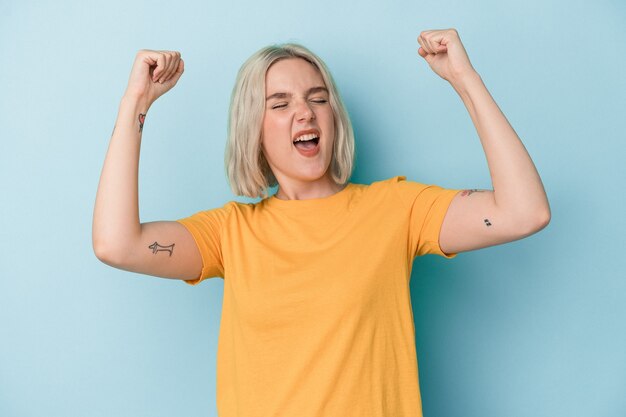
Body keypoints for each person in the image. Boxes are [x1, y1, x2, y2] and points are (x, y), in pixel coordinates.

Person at [92, 29, 550, 417]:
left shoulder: (397, 209)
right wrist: (137, 101)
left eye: (318, 98)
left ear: (333, 117)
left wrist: (464, 80)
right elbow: (116, 244)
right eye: (280, 103)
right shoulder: (230, 233)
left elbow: (524, 212)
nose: (305, 113)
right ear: (253, 127)